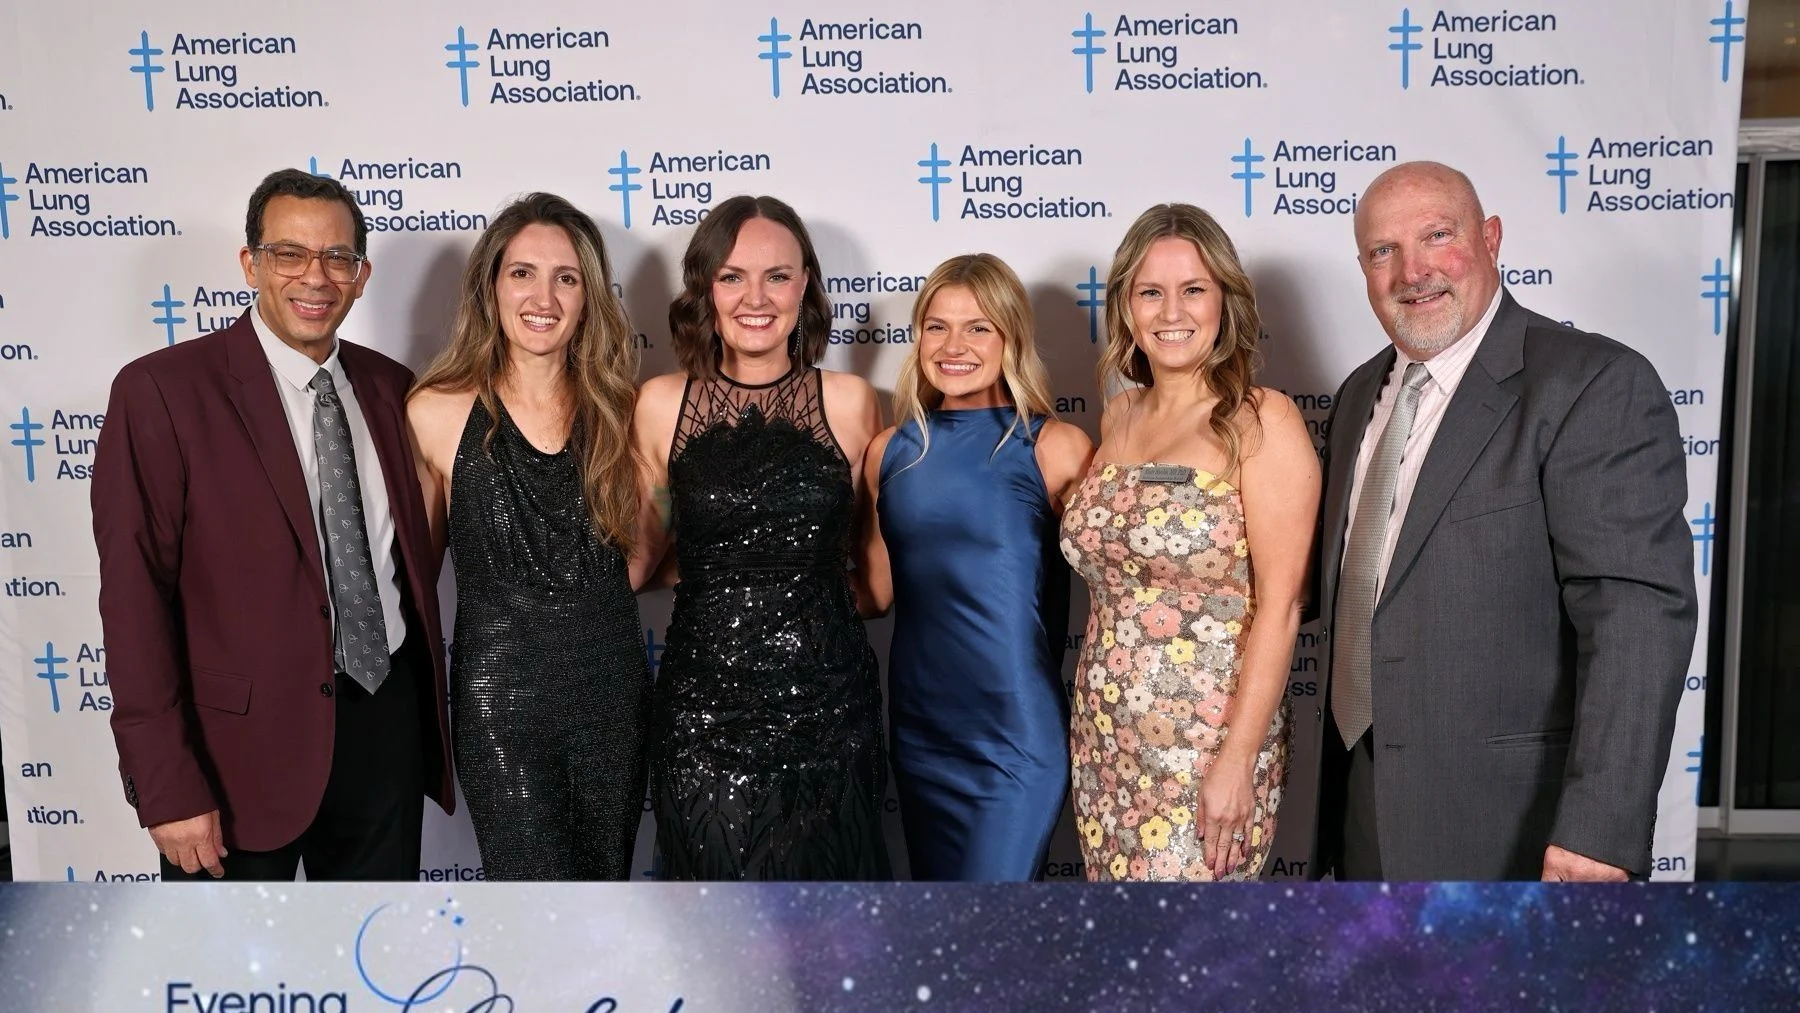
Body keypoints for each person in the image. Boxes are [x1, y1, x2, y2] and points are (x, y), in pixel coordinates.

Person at [1312, 161, 1696, 882]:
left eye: (1437, 235)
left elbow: (1637, 617)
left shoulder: (1591, 384)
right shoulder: (1360, 393)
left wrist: (1600, 830)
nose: (1412, 271)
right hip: (1362, 806)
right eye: (1383, 250)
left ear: (1490, 238)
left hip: (1514, 827)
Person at [92, 169, 453, 880]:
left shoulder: (392, 388)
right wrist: (166, 782)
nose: (315, 276)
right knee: (232, 954)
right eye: (290, 253)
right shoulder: (162, 391)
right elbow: (134, 600)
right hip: (235, 760)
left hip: (383, 733)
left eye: (337, 257)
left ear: (361, 275)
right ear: (250, 263)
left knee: (368, 946)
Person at [1059, 203, 1318, 882]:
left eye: (1194, 289)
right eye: (1151, 291)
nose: (1171, 311)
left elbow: (1282, 607)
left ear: (1225, 301)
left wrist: (1238, 760)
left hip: (1208, 745)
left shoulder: (1261, 419)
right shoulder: (1119, 415)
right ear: (1126, 306)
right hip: (1105, 738)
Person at [633, 195, 889, 880]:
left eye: (776, 275)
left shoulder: (851, 402)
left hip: (829, 712)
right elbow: (641, 555)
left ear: (805, 285)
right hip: (703, 715)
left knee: (830, 922)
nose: (756, 297)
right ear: (705, 289)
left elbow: (875, 579)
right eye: (732, 277)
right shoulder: (661, 404)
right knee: (720, 923)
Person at [406, 193, 650, 880]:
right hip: (501, 703)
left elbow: (642, 558)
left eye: (565, 278)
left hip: (611, 698)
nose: (543, 297)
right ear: (491, 285)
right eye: (522, 273)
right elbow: (413, 580)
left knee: (603, 897)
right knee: (535, 905)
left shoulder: (624, 411)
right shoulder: (435, 411)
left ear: (588, 296)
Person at [857, 253, 1093, 881]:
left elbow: (1122, 585)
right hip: (920, 729)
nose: (953, 346)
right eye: (937, 327)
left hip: (1015, 733)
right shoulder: (889, 451)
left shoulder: (1055, 447)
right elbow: (873, 594)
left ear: (1011, 338)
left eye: (978, 327)